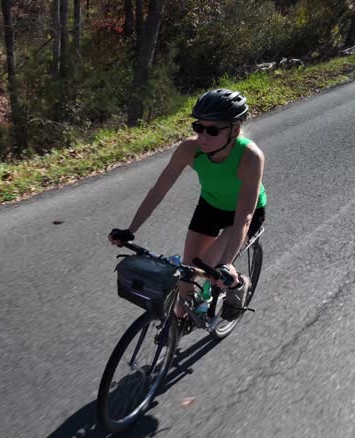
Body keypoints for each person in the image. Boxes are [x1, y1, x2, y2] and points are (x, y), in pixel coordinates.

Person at [108, 88, 267, 320]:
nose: (202, 137)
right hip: (210, 207)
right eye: (198, 127)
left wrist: (226, 264)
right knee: (187, 275)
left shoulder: (250, 157)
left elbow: (244, 217)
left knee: (211, 267)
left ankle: (239, 284)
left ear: (235, 130)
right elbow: (158, 191)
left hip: (243, 215)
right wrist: (130, 230)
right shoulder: (189, 149)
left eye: (212, 131)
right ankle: (175, 330)